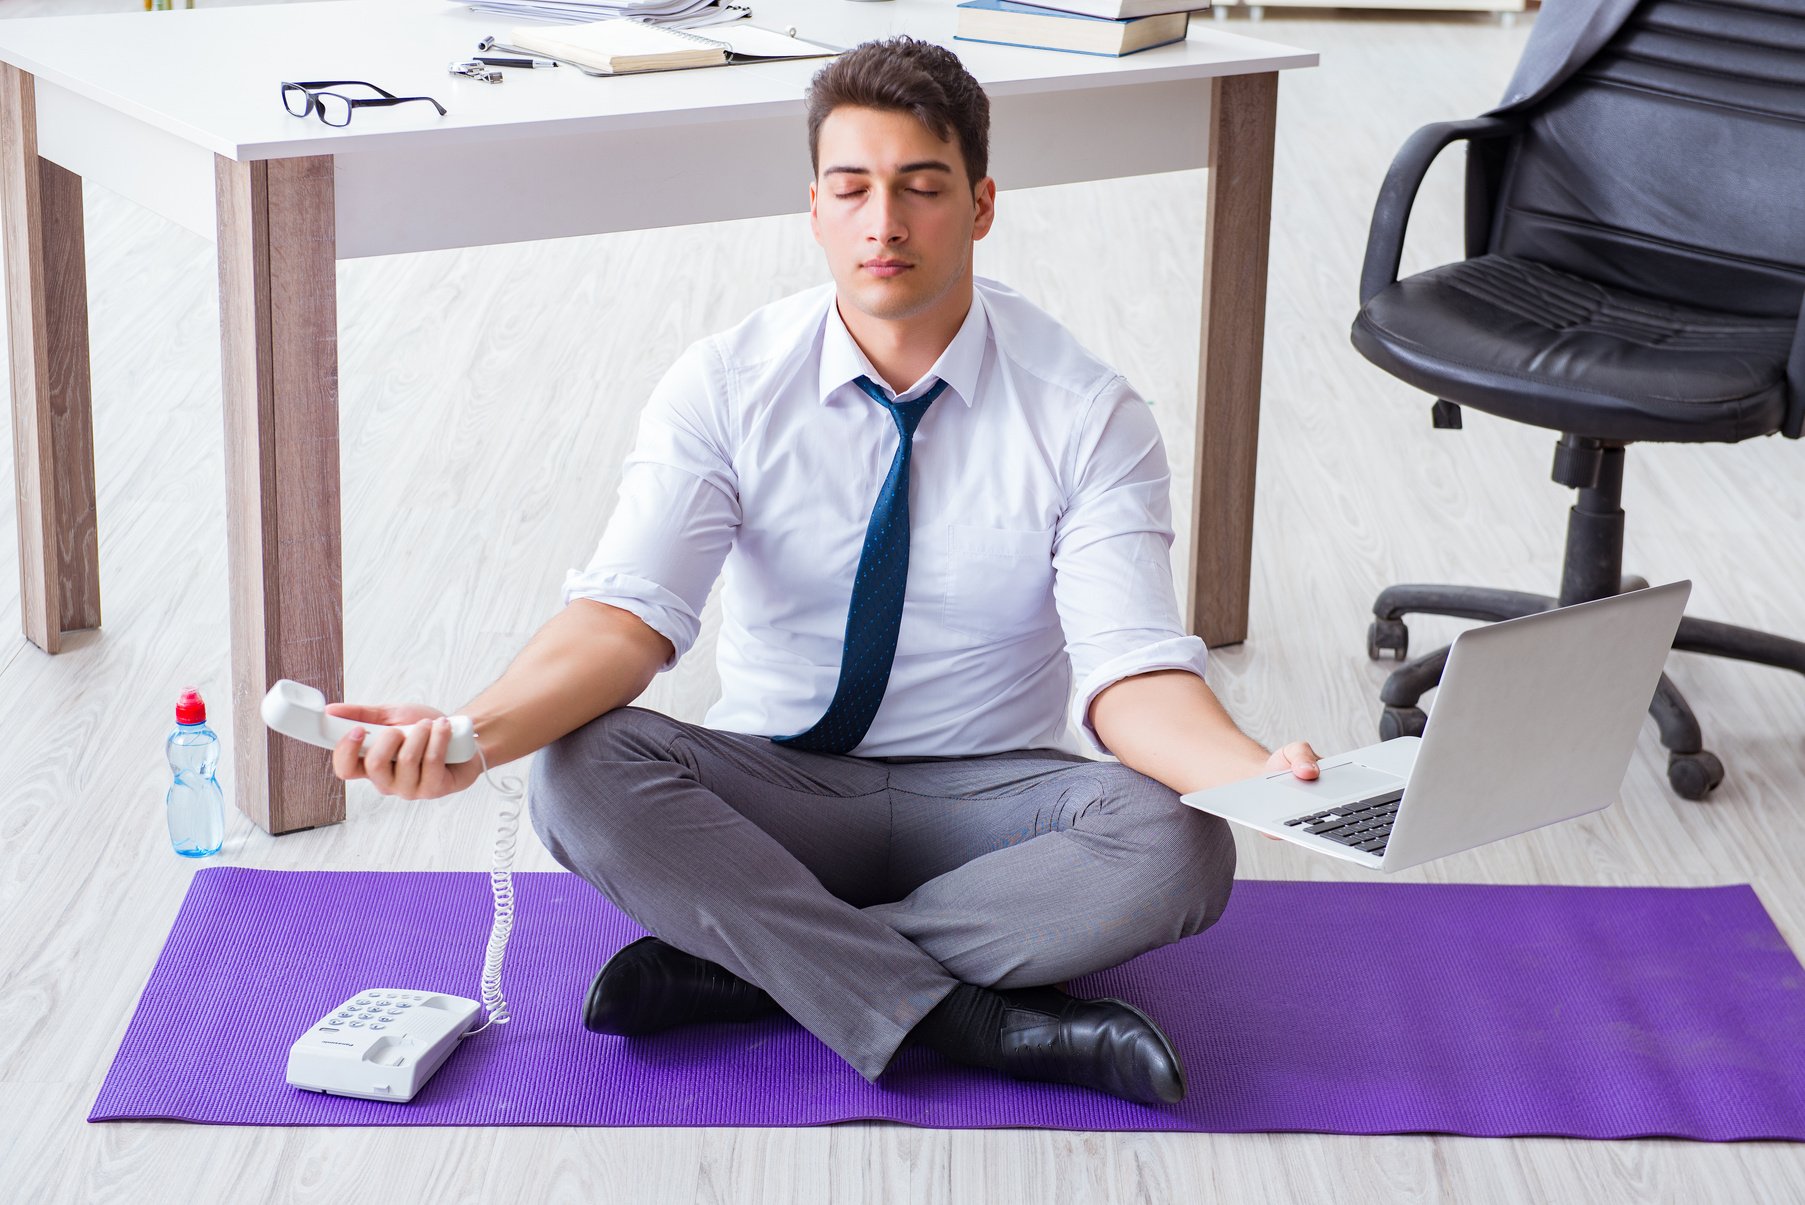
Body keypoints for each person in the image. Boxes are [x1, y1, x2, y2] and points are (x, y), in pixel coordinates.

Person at [326, 36, 1320, 1107]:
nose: (881, 223)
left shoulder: (1085, 412)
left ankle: (753, 963)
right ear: (813, 207)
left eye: (919, 188)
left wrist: (1246, 765)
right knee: (578, 770)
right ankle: (971, 1016)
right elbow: (624, 617)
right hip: (773, 792)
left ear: (981, 204)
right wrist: (471, 735)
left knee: (1178, 841)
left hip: (988, 800)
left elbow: (1129, 669)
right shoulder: (724, 383)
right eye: (850, 189)